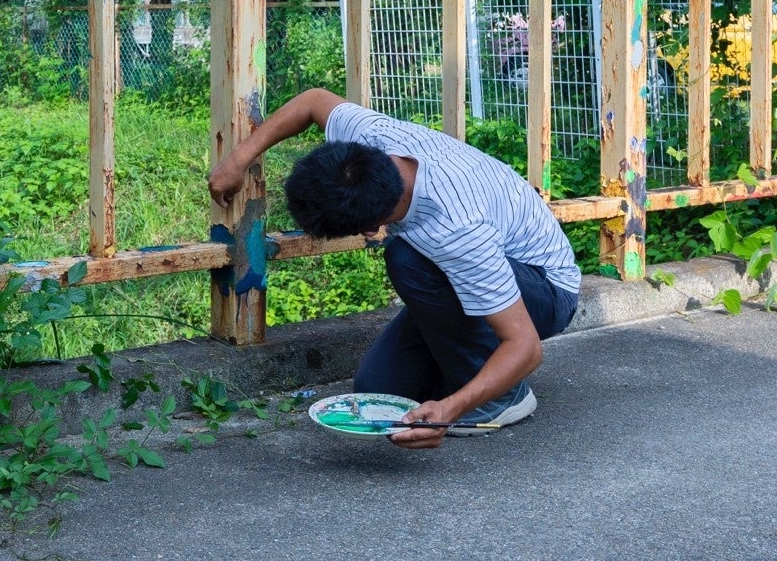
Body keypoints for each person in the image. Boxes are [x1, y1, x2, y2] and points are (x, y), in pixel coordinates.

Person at [207, 87, 582, 448]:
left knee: (407, 260)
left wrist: (451, 410)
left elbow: (525, 347)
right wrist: (240, 159)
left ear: (370, 229)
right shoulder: (371, 140)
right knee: (378, 388)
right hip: (478, 273)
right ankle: (469, 367)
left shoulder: (457, 230)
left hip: (545, 290)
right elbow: (313, 101)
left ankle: (505, 399)